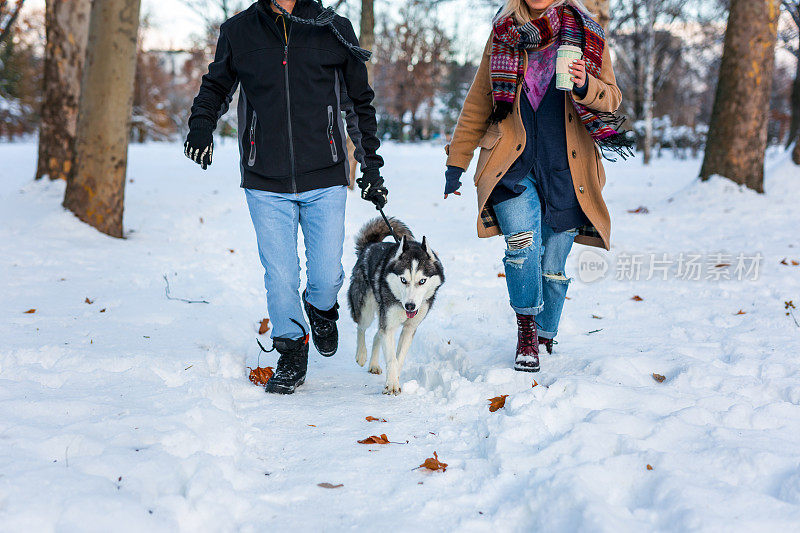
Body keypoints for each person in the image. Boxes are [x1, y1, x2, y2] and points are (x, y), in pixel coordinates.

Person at [184, 0, 388, 394]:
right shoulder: (239, 31)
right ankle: (292, 349)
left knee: (327, 277)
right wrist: (201, 126)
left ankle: (321, 307)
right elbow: (216, 86)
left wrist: (370, 166)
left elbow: (359, 103)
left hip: (325, 175)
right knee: (280, 277)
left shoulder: (334, 28)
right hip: (264, 179)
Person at [444, 0, 630, 372]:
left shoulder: (586, 32)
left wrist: (584, 84)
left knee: (552, 264)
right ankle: (527, 329)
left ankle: (546, 333)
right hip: (513, 167)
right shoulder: (503, 33)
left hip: (567, 169)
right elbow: (478, 102)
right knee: (522, 248)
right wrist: (456, 162)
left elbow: (612, 97)